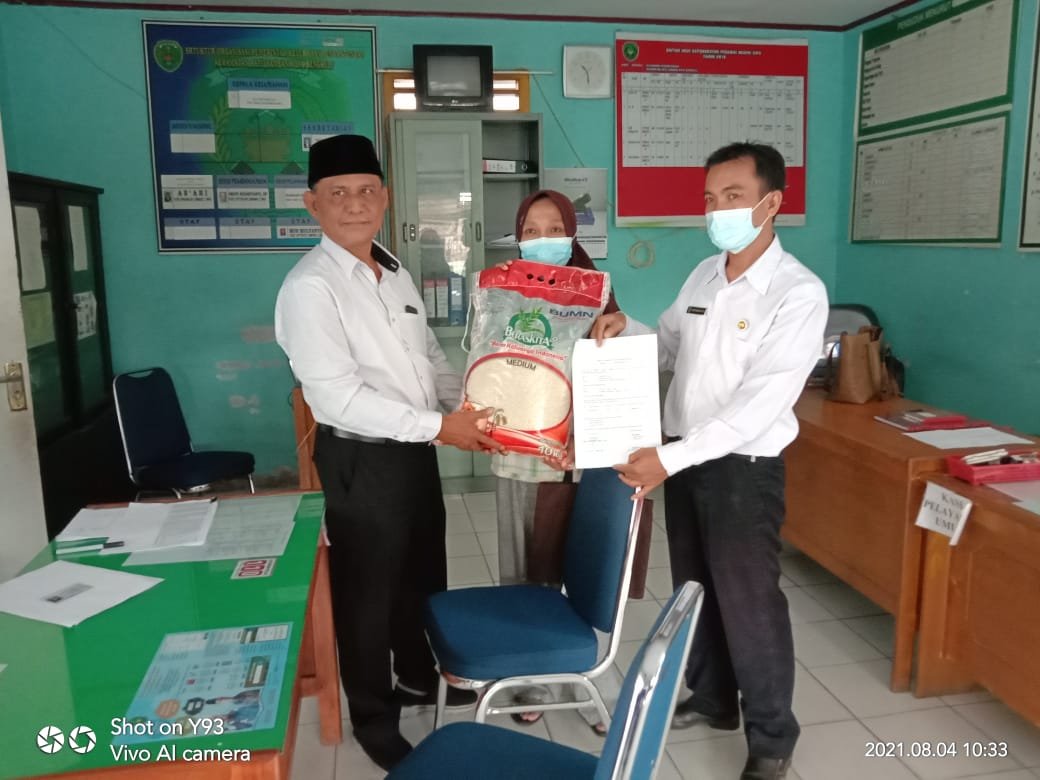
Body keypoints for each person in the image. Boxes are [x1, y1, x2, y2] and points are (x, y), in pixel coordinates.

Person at [591, 142, 828, 780]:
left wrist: (669, 459)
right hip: (685, 458)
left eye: (733, 196)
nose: (717, 210)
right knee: (693, 588)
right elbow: (668, 345)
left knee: (750, 603)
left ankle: (772, 736)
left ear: (771, 203)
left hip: (742, 471)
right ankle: (714, 698)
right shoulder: (704, 274)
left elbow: (758, 407)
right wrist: (625, 329)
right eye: (710, 198)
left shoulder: (797, 293)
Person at [274, 134, 503, 771]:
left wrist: (468, 405)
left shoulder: (395, 270)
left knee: (421, 574)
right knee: (367, 594)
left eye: (366, 191)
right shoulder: (310, 288)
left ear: (385, 198)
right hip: (361, 458)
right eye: (338, 194)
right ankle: (373, 717)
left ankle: (418, 678)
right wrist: (441, 428)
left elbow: (426, 355)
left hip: (415, 450)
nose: (354, 204)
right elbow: (338, 398)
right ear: (312, 204)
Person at [491, 189, 618, 731]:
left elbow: (613, 376)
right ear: (518, 237)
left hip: (579, 456)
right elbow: (490, 369)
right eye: (531, 230)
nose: (543, 239)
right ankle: (531, 676)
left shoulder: (598, 294)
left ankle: (587, 677)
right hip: (520, 453)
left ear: (572, 233)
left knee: (585, 568)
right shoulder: (501, 291)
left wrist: (617, 328)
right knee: (524, 569)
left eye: (554, 228)